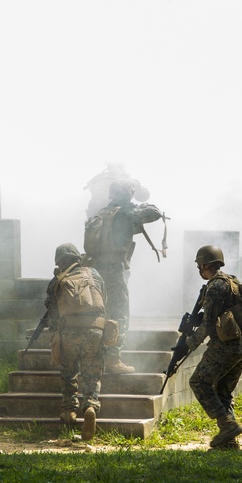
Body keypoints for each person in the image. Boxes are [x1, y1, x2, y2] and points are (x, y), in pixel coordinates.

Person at [88, 179, 163, 374]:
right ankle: (113, 358)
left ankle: (97, 355)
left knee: (101, 312)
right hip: (114, 271)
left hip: (97, 270)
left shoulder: (103, 211)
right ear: (127, 194)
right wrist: (136, 193)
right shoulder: (125, 212)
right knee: (119, 313)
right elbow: (154, 212)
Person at [186, 245, 242, 451]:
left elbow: (208, 324)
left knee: (198, 381)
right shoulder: (232, 280)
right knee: (222, 391)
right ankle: (229, 442)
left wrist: (191, 343)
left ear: (205, 265)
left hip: (227, 346)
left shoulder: (216, 287)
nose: (199, 269)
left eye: (200, 266)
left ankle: (227, 425)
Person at [45, 243, 107, 441]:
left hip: (69, 332)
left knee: (68, 371)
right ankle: (90, 406)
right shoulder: (94, 274)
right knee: (92, 373)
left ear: (59, 262)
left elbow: (53, 313)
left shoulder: (58, 280)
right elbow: (104, 300)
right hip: (95, 330)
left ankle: (69, 411)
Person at [84, 163, 150, 219]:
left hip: (96, 221)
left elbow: (144, 196)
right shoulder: (122, 181)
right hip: (111, 219)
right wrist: (134, 183)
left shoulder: (99, 179)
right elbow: (143, 196)